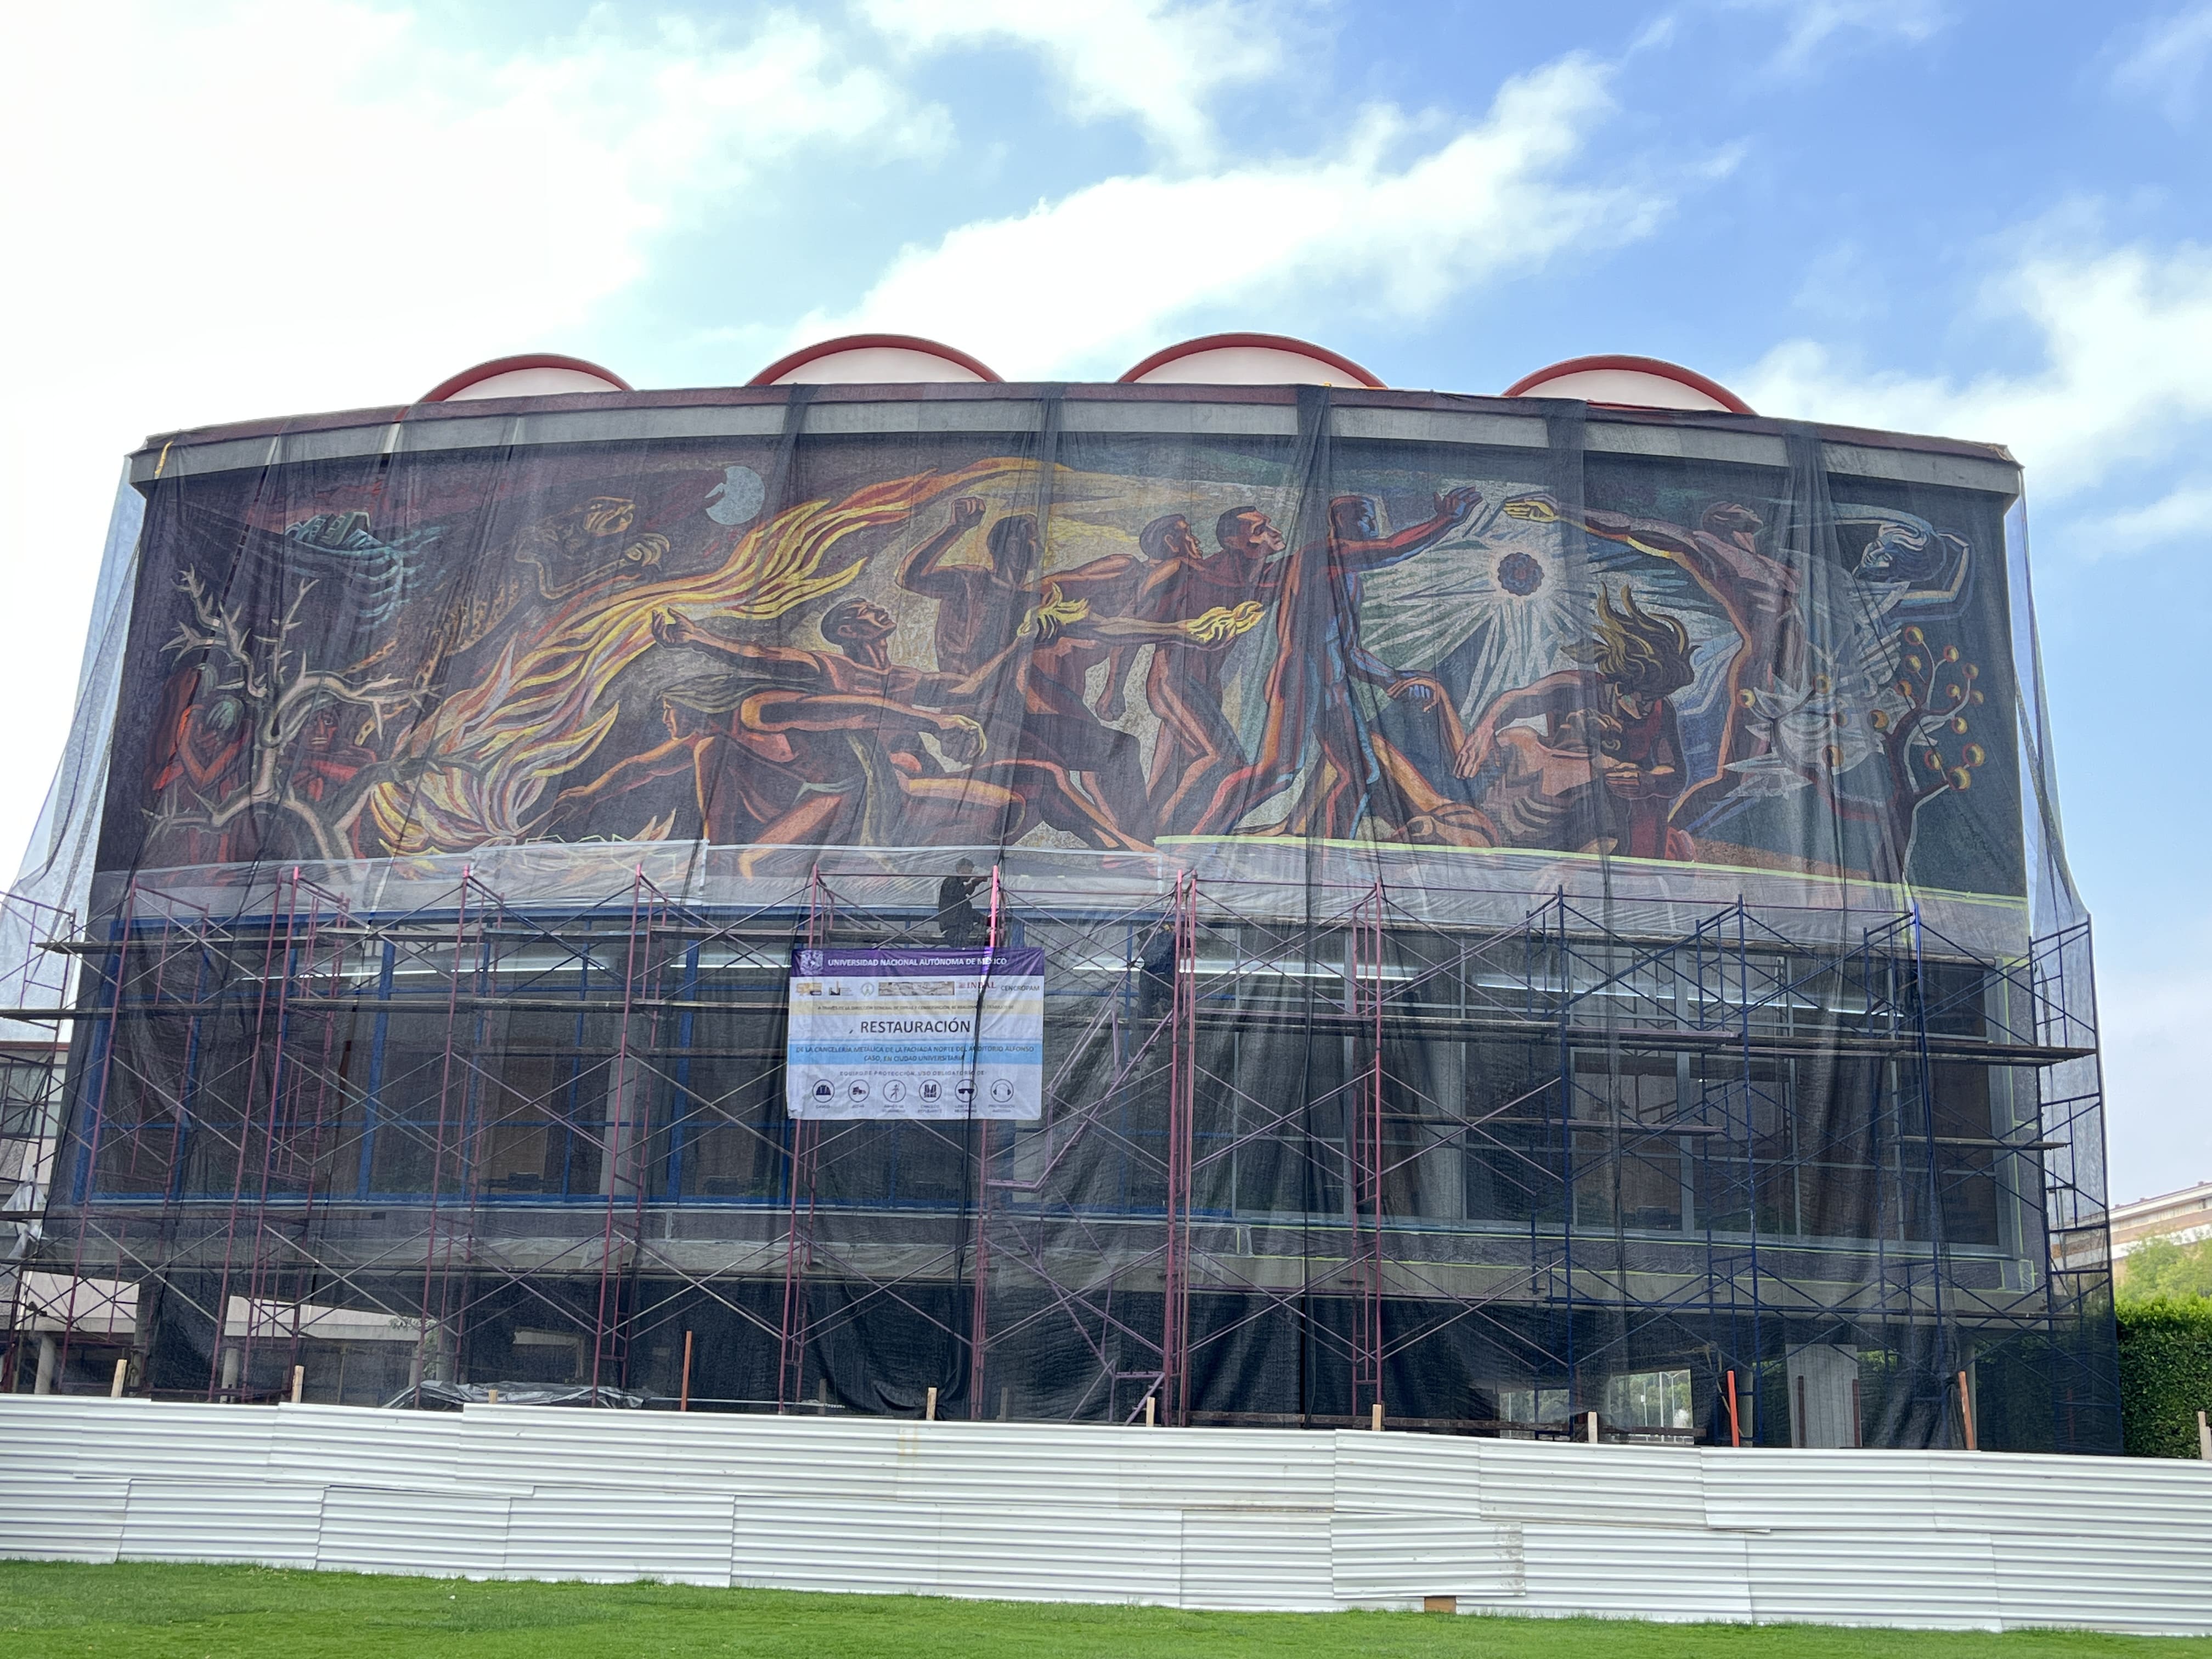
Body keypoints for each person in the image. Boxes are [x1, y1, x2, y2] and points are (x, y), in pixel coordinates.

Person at [1196, 487, 1485, 839]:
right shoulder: (1319, 555)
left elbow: (1348, 650)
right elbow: (1392, 549)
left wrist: (1391, 678)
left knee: (1359, 772)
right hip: (1300, 677)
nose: (1370, 524)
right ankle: (1199, 837)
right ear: (1337, 521)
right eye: (1360, 516)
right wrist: (1445, 521)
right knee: (1280, 771)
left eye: (1372, 517)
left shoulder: (1350, 579)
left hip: (1333, 685)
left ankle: (1334, 847)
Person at [1453, 585, 1695, 860]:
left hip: (1629, 812)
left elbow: (1676, 773)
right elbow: (1519, 699)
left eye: (1655, 699)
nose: (1647, 708)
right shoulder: (1579, 686)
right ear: (1622, 683)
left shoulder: (1661, 710)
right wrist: (1485, 729)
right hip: (1565, 801)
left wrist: (1648, 780)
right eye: (1642, 699)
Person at [938, 859, 988, 946]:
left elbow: (969, 911)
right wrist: (974, 883)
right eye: (969, 871)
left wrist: (988, 920)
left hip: (961, 927)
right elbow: (959, 893)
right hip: (954, 927)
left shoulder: (962, 902)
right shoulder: (950, 881)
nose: (971, 874)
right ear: (960, 868)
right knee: (960, 948)